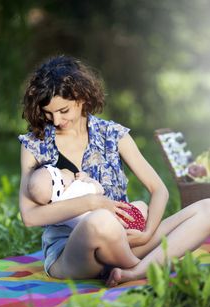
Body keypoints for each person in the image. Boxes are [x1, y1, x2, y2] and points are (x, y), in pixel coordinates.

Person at [18, 55, 210, 287]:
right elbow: (29, 217)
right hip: (74, 252)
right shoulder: (34, 144)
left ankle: (134, 271)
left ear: (81, 97)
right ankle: (148, 264)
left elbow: (159, 189)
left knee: (207, 209)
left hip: (129, 239)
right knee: (101, 221)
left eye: (63, 110)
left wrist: (148, 233)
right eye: (49, 113)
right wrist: (92, 203)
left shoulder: (112, 134)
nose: (56, 120)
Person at [27, 164, 148, 231]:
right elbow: (99, 189)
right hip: (119, 221)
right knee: (142, 206)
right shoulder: (76, 188)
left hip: (99, 234)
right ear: (62, 184)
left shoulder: (57, 213)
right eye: (61, 172)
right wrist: (86, 178)